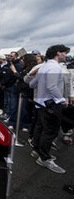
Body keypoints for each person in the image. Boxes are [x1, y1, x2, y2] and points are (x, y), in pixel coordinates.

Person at [29, 44, 70, 174]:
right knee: (50, 131)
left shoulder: (44, 67)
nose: (66, 55)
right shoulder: (54, 67)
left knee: (40, 128)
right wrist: (62, 101)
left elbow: (31, 84)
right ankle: (44, 158)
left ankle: (37, 151)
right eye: (65, 53)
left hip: (41, 103)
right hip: (50, 104)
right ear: (58, 53)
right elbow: (52, 87)